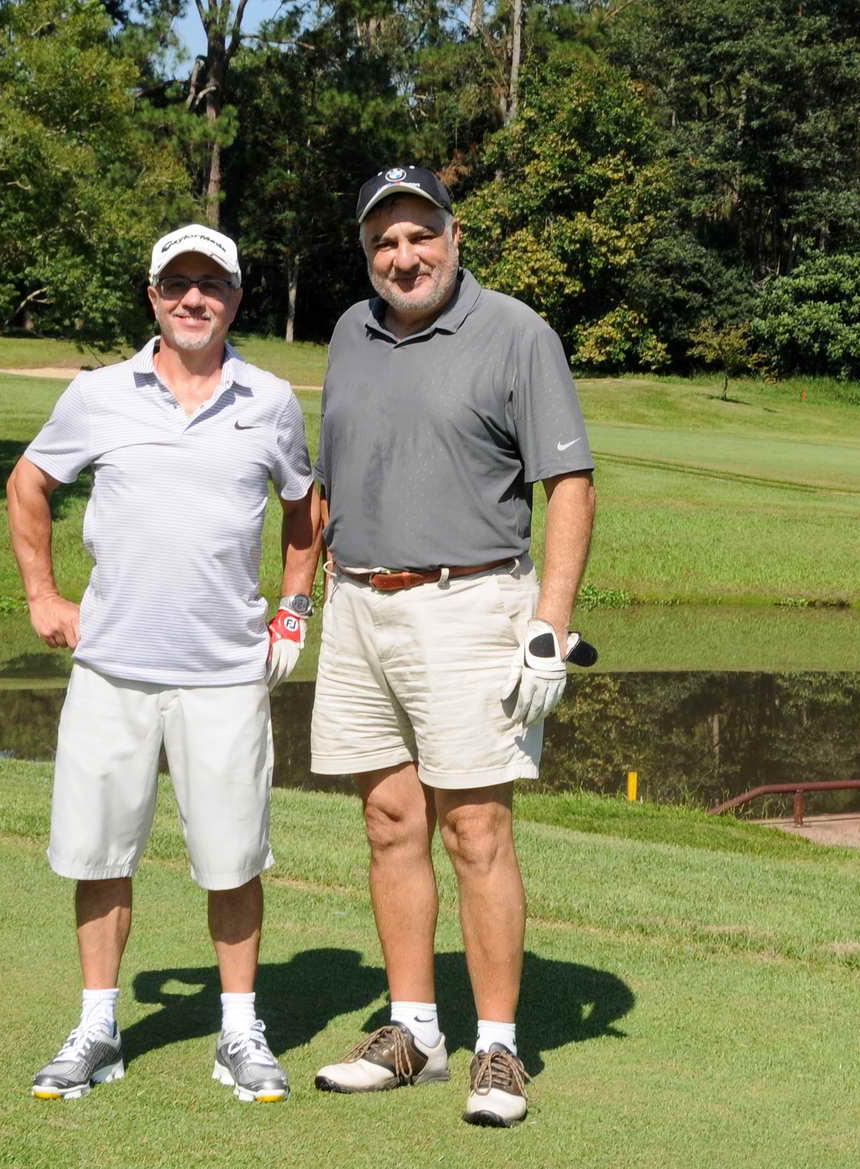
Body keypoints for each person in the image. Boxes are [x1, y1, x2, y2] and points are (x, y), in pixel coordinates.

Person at [6, 223, 321, 1103]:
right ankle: (97, 1027)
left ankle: (239, 1030)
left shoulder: (270, 400)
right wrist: (43, 595)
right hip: (113, 664)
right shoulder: (98, 394)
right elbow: (29, 484)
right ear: (152, 296)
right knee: (100, 853)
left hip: (226, 670)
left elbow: (305, 508)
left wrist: (294, 608)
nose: (193, 299)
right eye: (176, 283)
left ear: (235, 299)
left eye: (211, 284)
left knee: (233, 858)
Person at [309, 166, 596, 1128]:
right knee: (390, 821)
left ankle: (500, 1045)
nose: (404, 256)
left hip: (470, 603)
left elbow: (569, 485)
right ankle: (415, 1033)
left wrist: (550, 619)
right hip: (359, 604)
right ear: (367, 252)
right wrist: (301, 596)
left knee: (476, 830)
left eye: (419, 235)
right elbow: (330, 480)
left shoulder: (517, 332)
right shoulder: (349, 333)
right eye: (384, 241)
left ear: (454, 234)